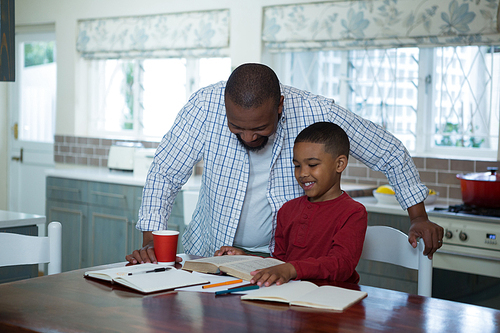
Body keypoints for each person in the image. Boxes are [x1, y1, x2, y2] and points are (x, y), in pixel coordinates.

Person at [125, 63, 443, 265]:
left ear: (279, 106)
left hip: (287, 263)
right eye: (237, 128)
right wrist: (152, 242)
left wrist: (418, 216)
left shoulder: (319, 112)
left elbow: (389, 151)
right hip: (211, 255)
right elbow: (165, 173)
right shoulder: (204, 107)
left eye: (260, 129)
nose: (249, 137)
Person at [215, 122, 367, 286]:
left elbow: (341, 265)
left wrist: (291, 269)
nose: (303, 173)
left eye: (313, 165)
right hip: (291, 295)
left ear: (339, 164)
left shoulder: (353, 212)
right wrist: (244, 258)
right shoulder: (287, 210)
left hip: (334, 298)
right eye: (297, 166)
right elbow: (280, 263)